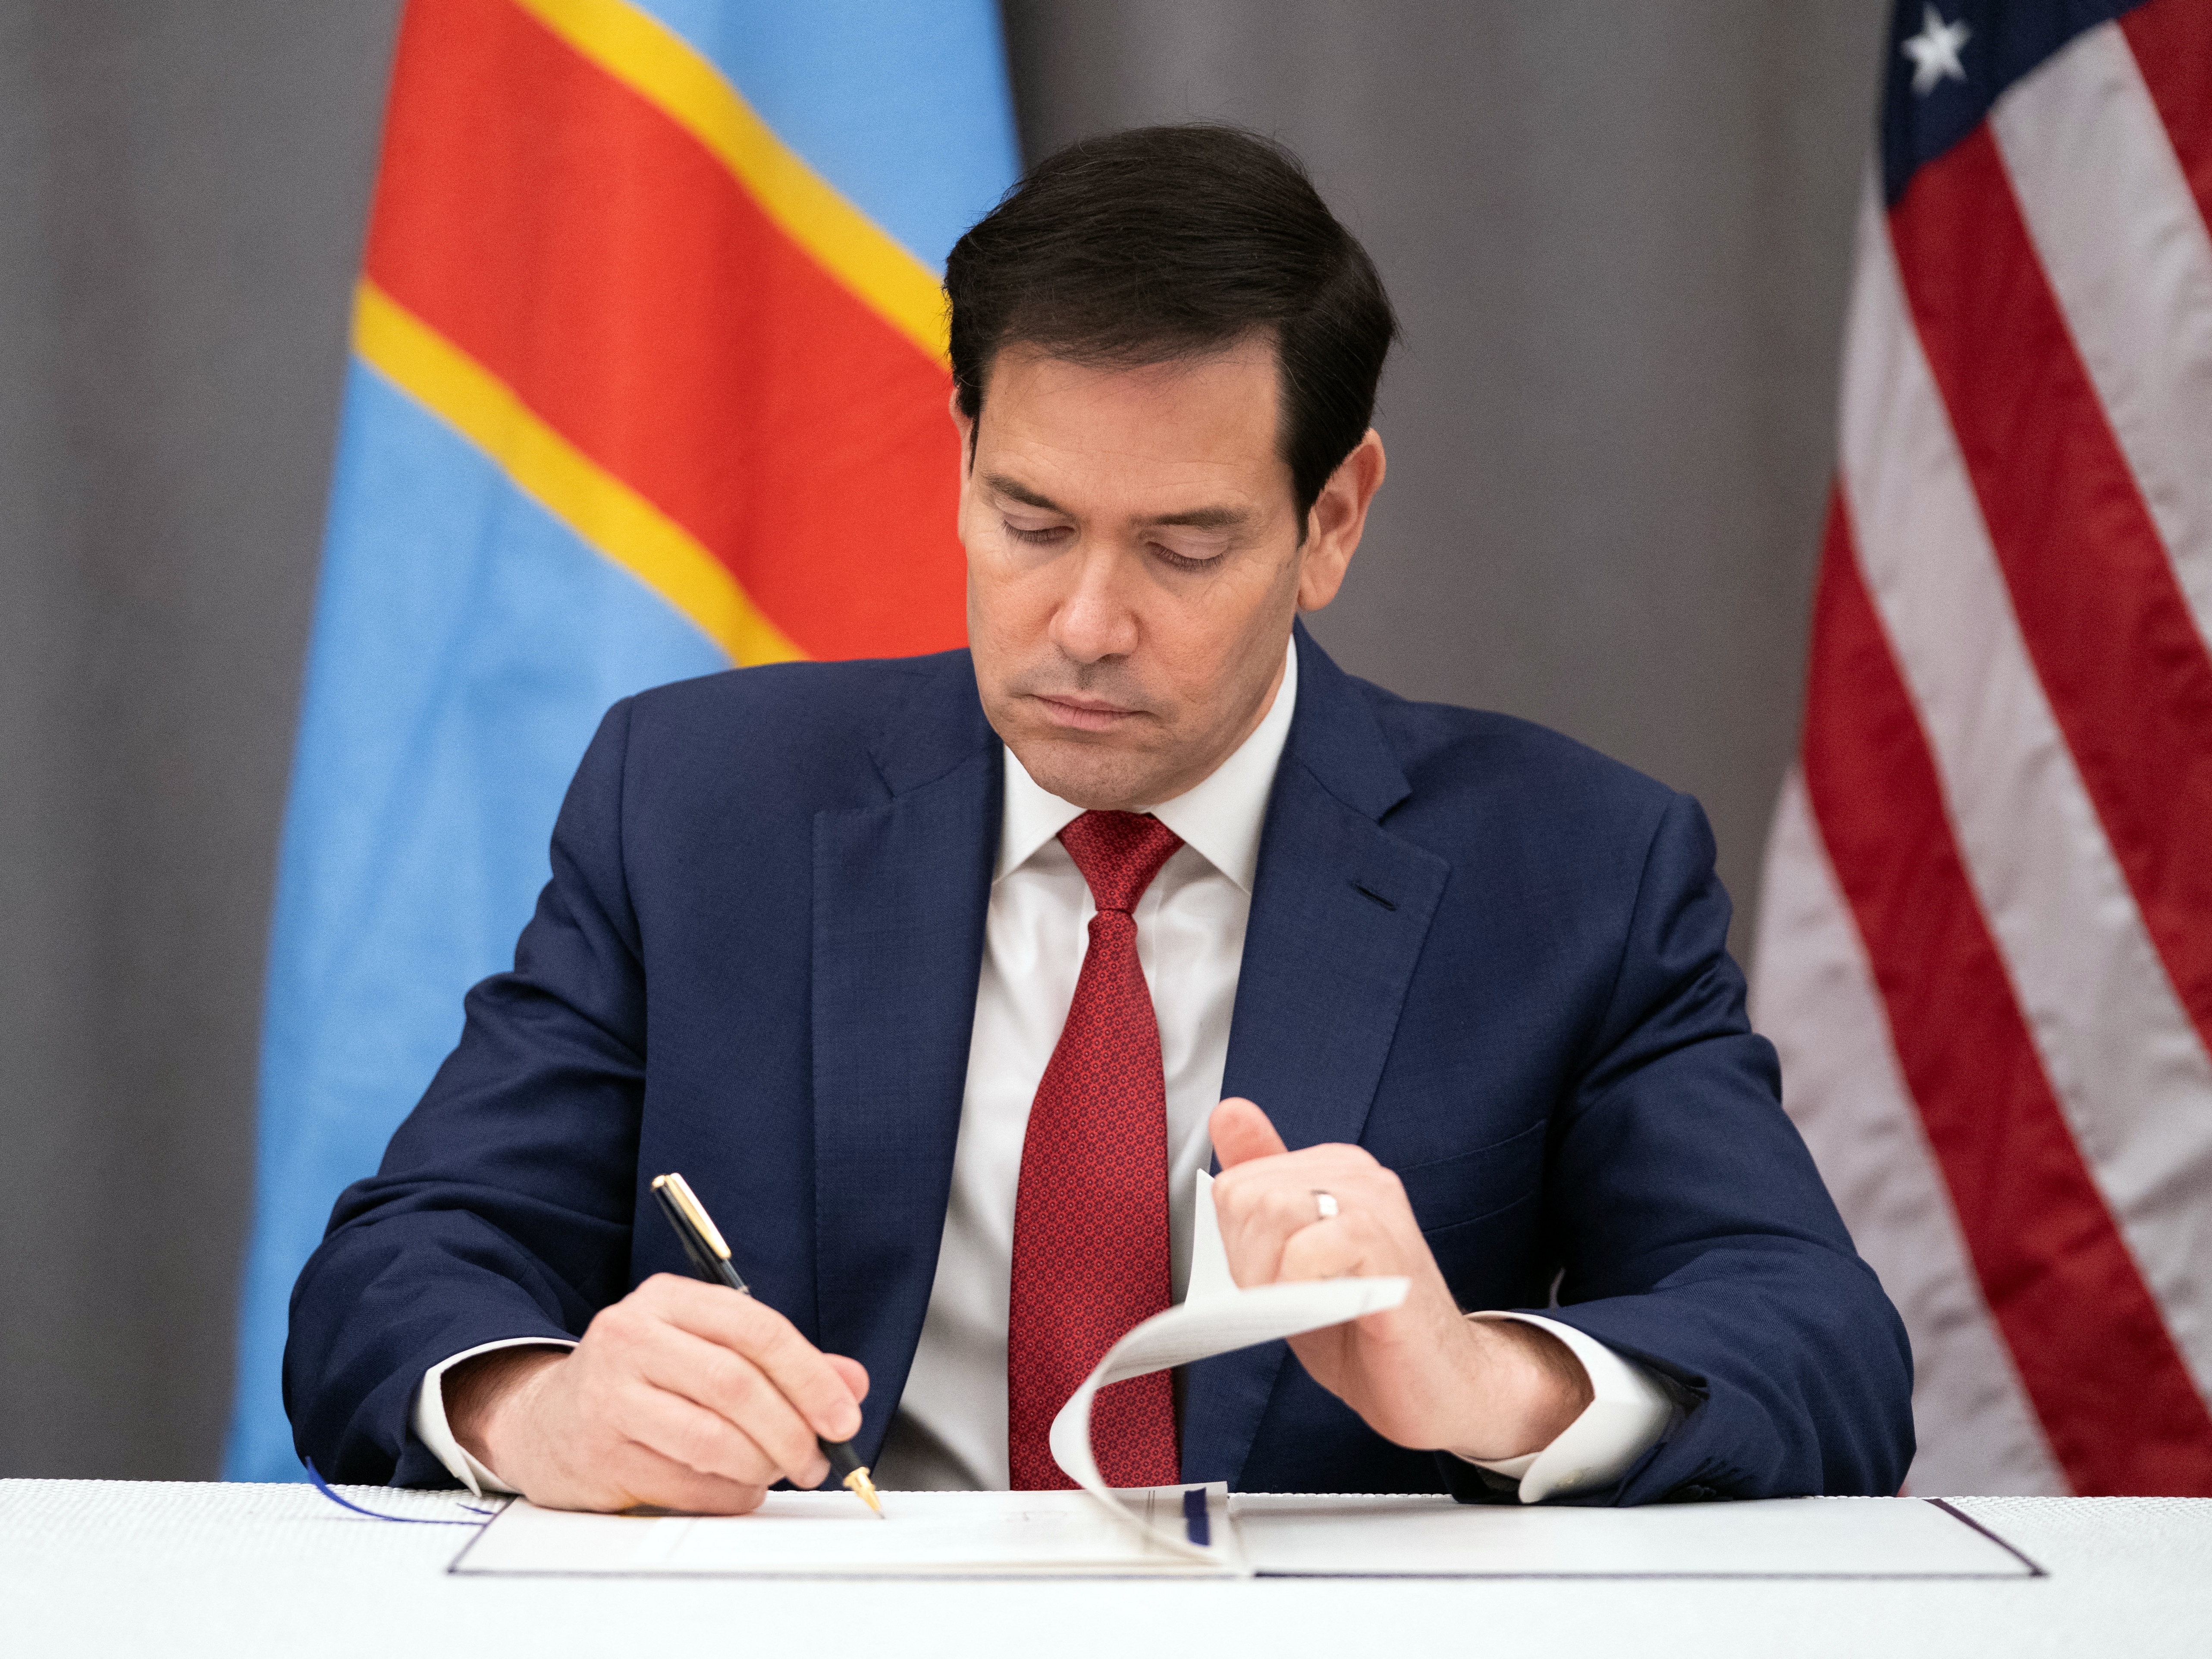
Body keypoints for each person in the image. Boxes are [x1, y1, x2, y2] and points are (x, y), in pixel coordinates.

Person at [286, 125, 1912, 1510]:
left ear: (1331, 521)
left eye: (1184, 549)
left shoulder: (1575, 867)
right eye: (1031, 522)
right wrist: (537, 1409)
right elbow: (401, 1265)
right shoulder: (700, 801)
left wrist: (1490, 1383)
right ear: (963, 463)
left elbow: (1822, 1352)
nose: (1083, 624)